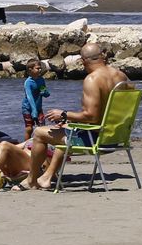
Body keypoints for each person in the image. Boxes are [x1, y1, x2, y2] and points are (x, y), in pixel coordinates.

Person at [23, 43, 130, 190]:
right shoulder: (121, 76)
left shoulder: (92, 79)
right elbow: (119, 108)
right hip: (116, 137)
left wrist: (64, 114)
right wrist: (69, 120)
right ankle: (47, 177)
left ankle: (31, 180)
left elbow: (91, 117)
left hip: (95, 140)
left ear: (83, 61)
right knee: (64, 128)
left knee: (39, 133)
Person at [22, 58, 51, 140]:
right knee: (29, 128)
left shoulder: (41, 80)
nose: (40, 70)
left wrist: (45, 92)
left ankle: (41, 145)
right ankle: (26, 145)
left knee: (42, 128)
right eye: (37, 68)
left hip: (38, 108)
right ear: (30, 70)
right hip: (27, 108)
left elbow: (45, 93)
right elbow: (29, 97)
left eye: (40, 68)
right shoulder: (28, 83)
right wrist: (33, 111)